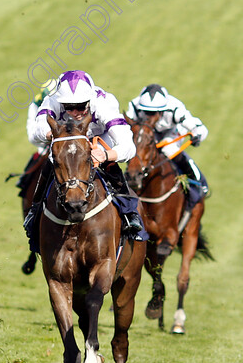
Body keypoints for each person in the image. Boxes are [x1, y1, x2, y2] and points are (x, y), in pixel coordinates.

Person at [25, 70, 146, 243]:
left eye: (81, 106)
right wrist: (51, 134)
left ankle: (129, 213)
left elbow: (129, 146)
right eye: (69, 107)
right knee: (53, 162)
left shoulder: (104, 103)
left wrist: (106, 155)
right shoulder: (52, 101)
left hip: (99, 140)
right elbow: (37, 128)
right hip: (67, 141)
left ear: (90, 100)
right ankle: (35, 211)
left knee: (110, 166)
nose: (75, 112)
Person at [126, 84, 210, 206]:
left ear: (162, 111)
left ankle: (199, 183)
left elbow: (197, 126)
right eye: (147, 112)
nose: (150, 116)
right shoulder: (134, 106)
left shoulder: (175, 108)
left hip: (171, 132)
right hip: (146, 132)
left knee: (168, 149)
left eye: (154, 112)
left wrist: (197, 135)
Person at [16, 78, 57, 194]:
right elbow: (31, 136)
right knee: (31, 177)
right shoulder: (35, 105)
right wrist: (48, 137)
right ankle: (33, 205)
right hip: (45, 147)